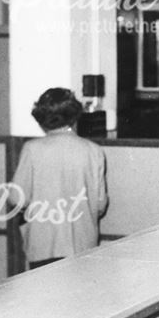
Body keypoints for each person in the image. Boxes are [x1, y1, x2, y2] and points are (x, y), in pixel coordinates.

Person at [12, 87, 108, 269]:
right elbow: (100, 205)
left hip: (43, 246)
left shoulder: (31, 149)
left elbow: (17, 199)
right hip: (83, 246)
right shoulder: (93, 150)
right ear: (74, 116)